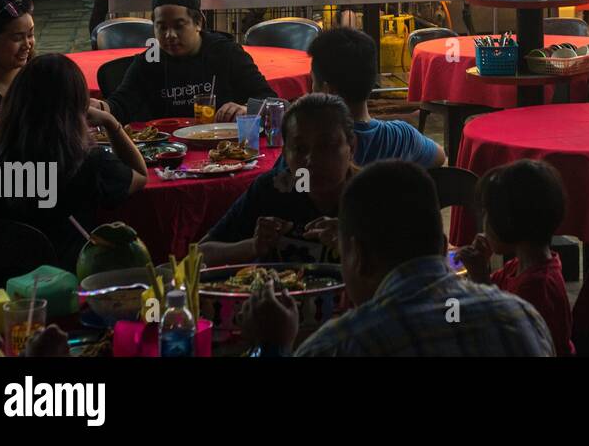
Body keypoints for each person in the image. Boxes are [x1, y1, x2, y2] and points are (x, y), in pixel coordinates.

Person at [239, 160, 554, 356]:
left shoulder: (336, 346)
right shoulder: (520, 317)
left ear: (358, 256)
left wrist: (274, 346)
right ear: (444, 245)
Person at [0, 54, 146, 268]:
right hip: (64, 286)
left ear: (14, 102)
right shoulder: (88, 162)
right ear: (79, 108)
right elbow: (140, 175)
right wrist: (111, 123)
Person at [198, 93, 356, 266]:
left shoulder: (371, 194)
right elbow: (200, 253)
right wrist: (253, 246)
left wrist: (351, 247)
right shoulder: (274, 189)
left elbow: (390, 271)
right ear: (285, 154)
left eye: (326, 145)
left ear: (352, 147)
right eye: (300, 148)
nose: (312, 159)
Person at [104, 0, 275, 124]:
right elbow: (122, 103)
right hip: (167, 150)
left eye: (179, 26)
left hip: (222, 148)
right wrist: (102, 108)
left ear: (198, 22)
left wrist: (246, 108)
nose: (169, 35)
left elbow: (271, 101)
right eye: (162, 27)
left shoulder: (227, 53)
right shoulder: (150, 59)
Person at [456, 160, 573, 356]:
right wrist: (481, 272)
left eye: (487, 214)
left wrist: (479, 275)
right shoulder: (522, 266)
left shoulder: (536, 289)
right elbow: (491, 297)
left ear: (507, 222)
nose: (483, 222)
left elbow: (499, 335)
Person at [285, 28, 443, 169]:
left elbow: (287, 186)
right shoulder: (402, 137)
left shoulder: (306, 147)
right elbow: (439, 157)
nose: (311, 89)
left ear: (328, 91)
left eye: (313, 83)